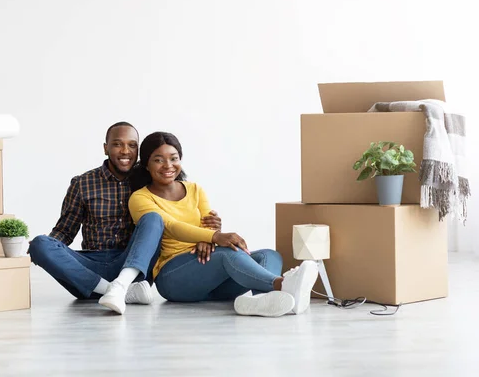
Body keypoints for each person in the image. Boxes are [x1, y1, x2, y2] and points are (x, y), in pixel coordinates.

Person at [28, 122, 222, 315]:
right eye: (117, 144)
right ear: (106, 148)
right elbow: (64, 231)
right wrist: (47, 252)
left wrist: (207, 232)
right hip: (89, 268)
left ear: (139, 151)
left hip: (133, 265)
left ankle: (122, 285)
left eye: (132, 145)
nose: (125, 151)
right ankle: (113, 291)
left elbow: (178, 216)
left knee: (153, 218)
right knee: (39, 244)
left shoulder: (152, 180)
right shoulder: (83, 183)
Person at [127, 131, 319, 317]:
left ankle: (261, 301)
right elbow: (171, 226)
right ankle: (283, 285)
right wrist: (214, 237)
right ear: (146, 164)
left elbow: (208, 224)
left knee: (268, 255)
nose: (168, 165)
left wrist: (209, 238)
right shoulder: (140, 198)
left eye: (174, 158)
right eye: (158, 160)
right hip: (174, 278)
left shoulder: (195, 189)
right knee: (228, 255)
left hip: (212, 278)